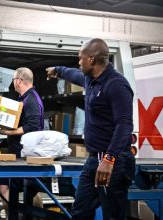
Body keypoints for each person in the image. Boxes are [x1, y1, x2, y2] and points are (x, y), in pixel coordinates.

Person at [46, 38, 135, 220]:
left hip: (113, 162)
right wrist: (57, 71)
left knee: (113, 216)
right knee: (80, 212)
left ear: (92, 60)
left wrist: (109, 159)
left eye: (81, 58)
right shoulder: (91, 80)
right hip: (95, 159)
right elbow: (73, 74)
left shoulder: (116, 84)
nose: (79, 63)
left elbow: (125, 124)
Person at [0, 67, 44, 217]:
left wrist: (9, 132)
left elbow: (33, 125)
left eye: (13, 80)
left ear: (19, 81)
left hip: (23, 155)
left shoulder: (31, 99)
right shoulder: (24, 98)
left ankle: (23, 215)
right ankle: (16, 214)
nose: (13, 83)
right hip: (16, 152)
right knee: (4, 184)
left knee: (26, 189)